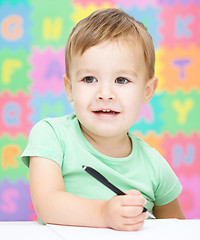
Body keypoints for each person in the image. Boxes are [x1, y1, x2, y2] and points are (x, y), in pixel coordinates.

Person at [21, 8, 185, 231]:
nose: (105, 93)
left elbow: (179, 229)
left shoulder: (154, 165)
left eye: (121, 79)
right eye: (89, 79)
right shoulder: (51, 135)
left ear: (147, 91)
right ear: (70, 88)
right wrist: (103, 214)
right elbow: (46, 203)